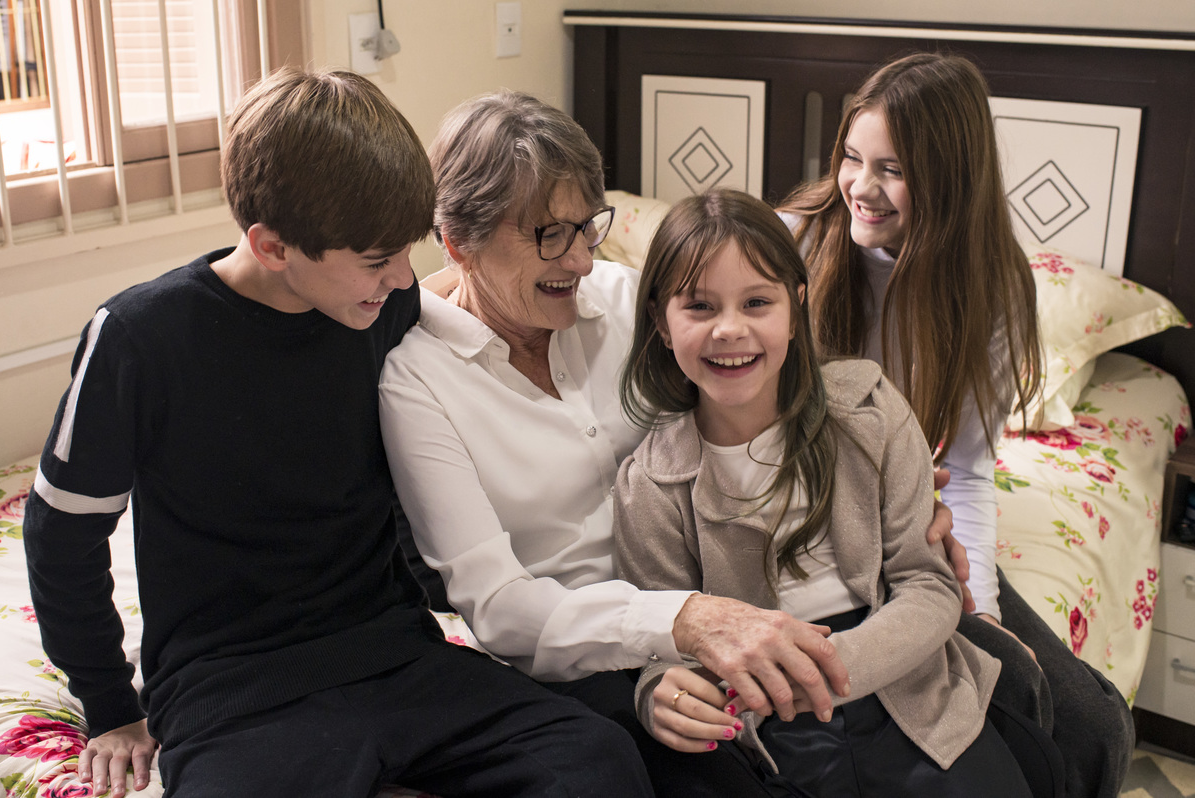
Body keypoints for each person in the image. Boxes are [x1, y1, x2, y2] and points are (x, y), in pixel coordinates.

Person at [22, 67, 653, 798]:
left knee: (596, 761)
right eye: (376, 260)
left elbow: (459, 317)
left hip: (398, 657)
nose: (402, 277)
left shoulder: (382, 307)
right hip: (231, 690)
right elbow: (59, 534)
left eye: (407, 251)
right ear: (272, 246)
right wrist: (108, 707)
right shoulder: (139, 338)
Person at [378, 89, 961, 796]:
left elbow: (782, 376)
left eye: (587, 226)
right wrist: (680, 626)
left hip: (737, 607)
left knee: (1068, 714)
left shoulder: (636, 303)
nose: (582, 261)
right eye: (547, 235)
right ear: (458, 241)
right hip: (591, 662)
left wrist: (896, 499)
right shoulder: (417, 381)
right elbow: (496, 606)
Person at [777, 51, 1133, 798]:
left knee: (1093, 725)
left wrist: (986, 612)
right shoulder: (793, 244)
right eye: (850, 157)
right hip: (798, 521)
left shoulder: (991, 291)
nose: (860, 188)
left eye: (892, 169)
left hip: (908, 522)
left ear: (950, 178)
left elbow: (967, 465)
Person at [614, 186, 1034, 797]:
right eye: (699, 307)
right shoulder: (649, 485)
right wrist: (658, 693)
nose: (730, 330)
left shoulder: (870, 412)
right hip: (767, 722)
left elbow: (929, 584)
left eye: (757, 301)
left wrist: (827, 671)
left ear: (797, 306)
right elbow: (663, 642)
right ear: (659, 319)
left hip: (900, 677)